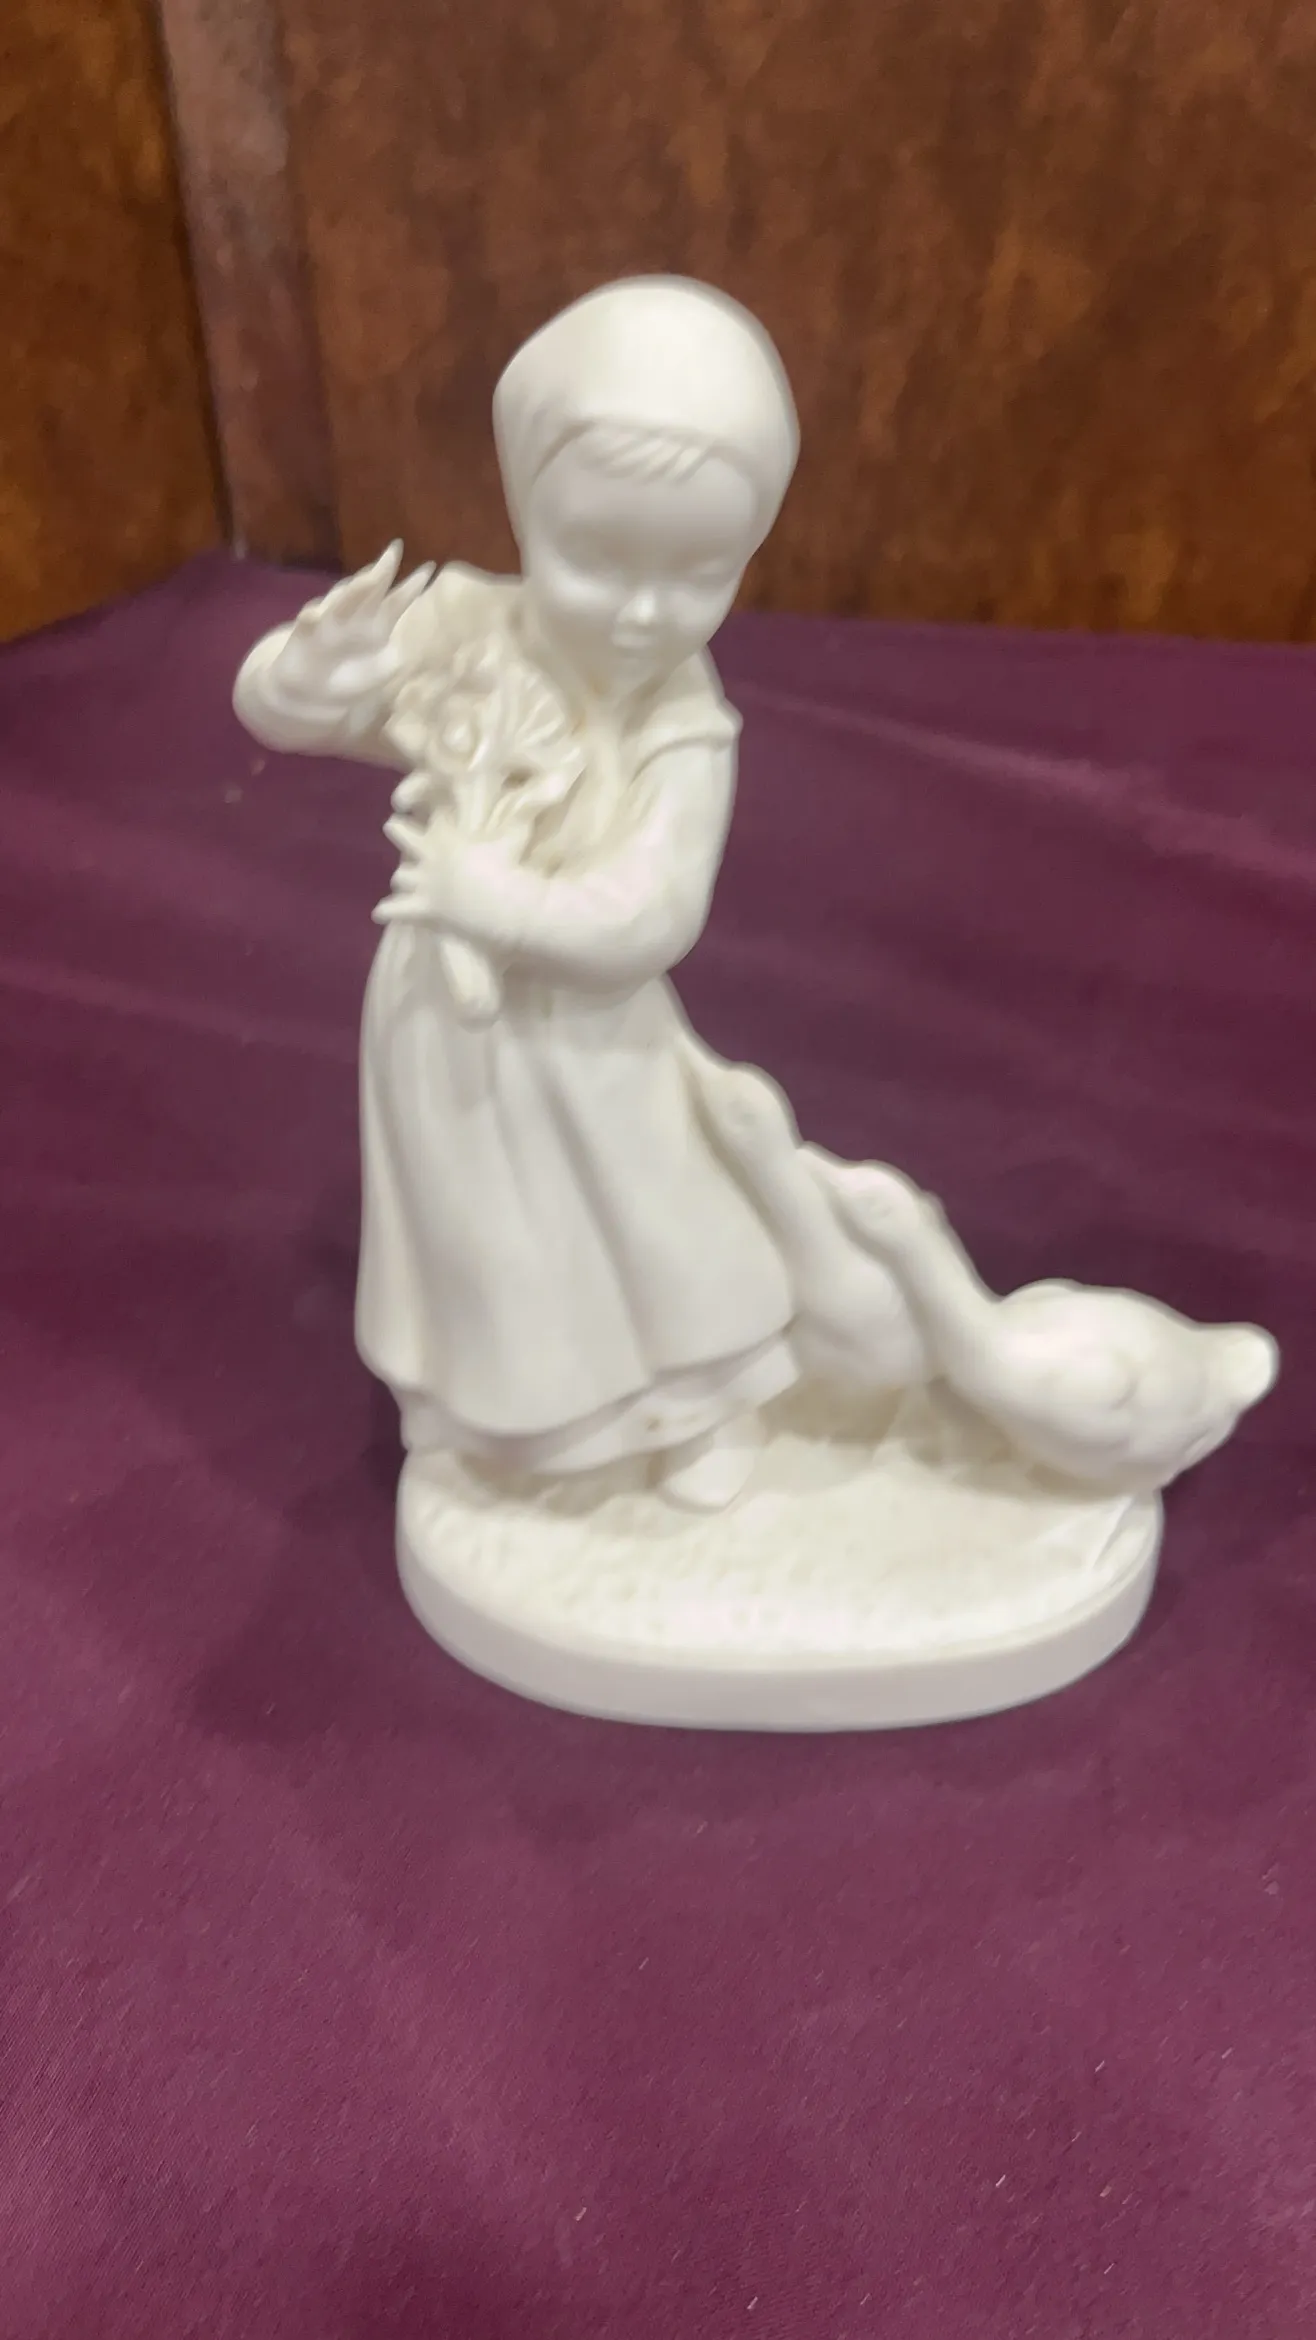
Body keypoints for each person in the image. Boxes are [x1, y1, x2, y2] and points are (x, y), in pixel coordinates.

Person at [235, 278, 872, 1510]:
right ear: (528, 512)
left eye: (697, 574)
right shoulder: (465, 626)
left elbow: (655, 911)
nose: (641, 612)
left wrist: (504, 905)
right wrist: (310, 674)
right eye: (593, 558)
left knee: (655, 1212)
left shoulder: (682, 723)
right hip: (448, 1025)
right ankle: (517, 1426)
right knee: (486, 1238)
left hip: (595, 1034)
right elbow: (292, 715)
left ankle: (700, 1403)